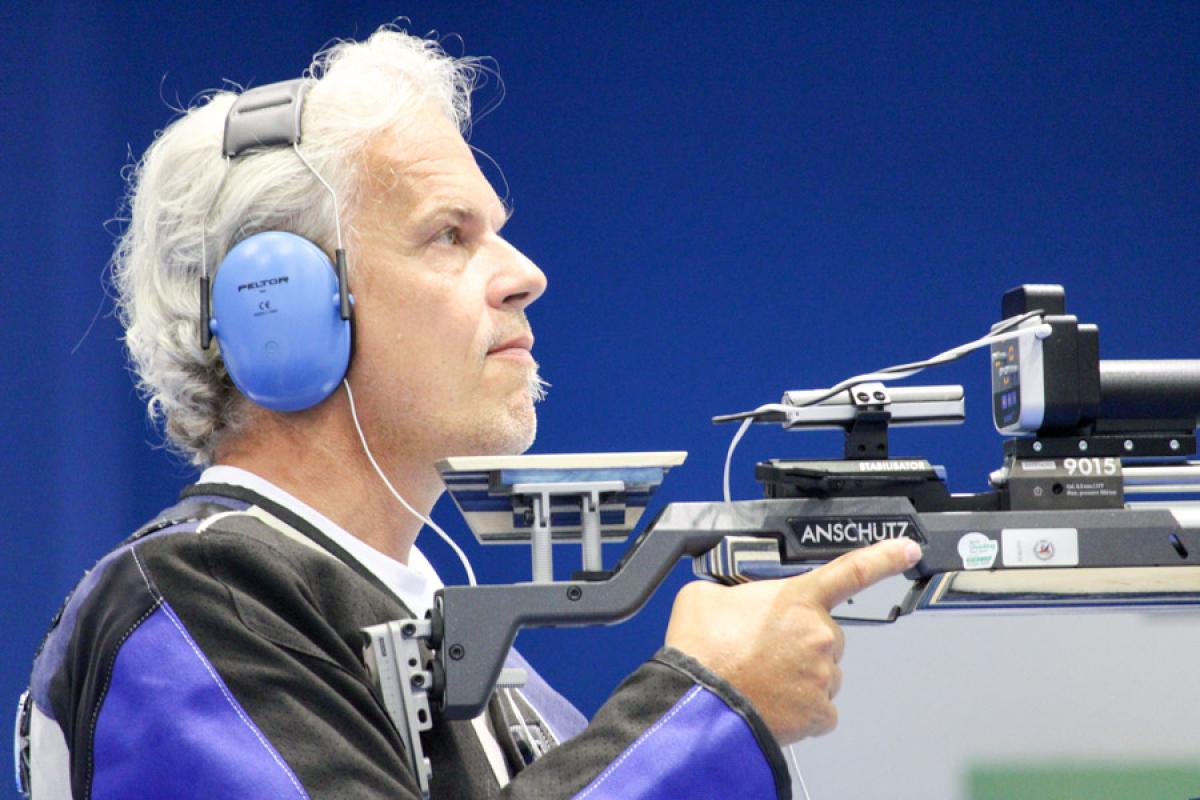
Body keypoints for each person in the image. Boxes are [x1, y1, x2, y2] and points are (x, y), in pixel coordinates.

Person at [19, 27, 920, 799]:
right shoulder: (192, 600)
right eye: (449, 235)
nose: (525, 273)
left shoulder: (433, 631)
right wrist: (711, 711)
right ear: (280, 306)